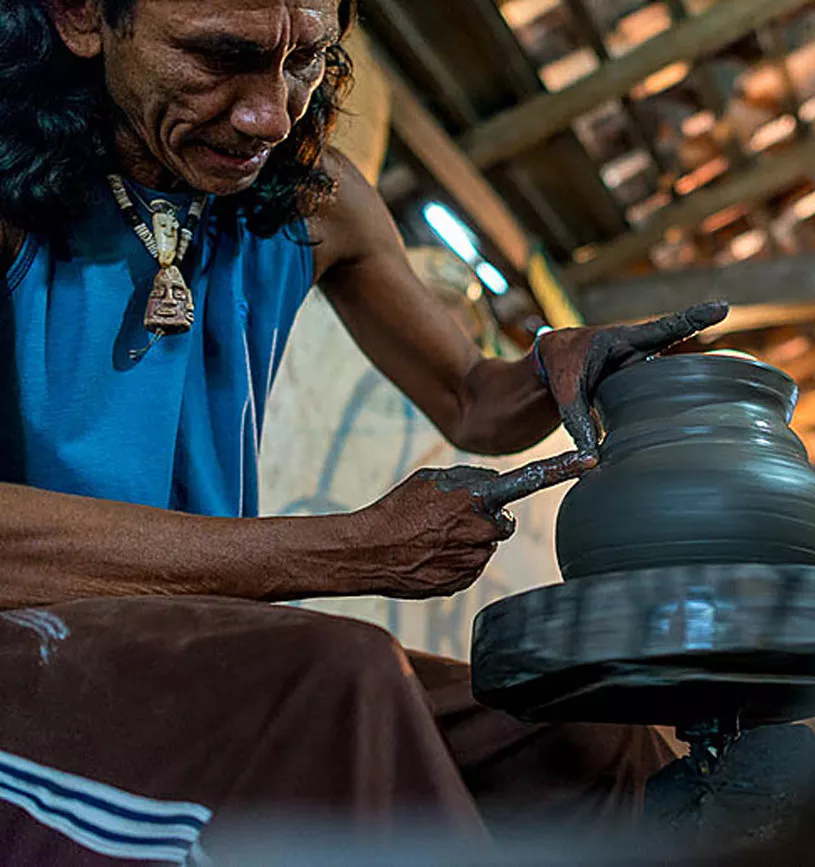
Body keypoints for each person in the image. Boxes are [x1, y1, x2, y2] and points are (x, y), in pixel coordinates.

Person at [0, 0, 727, 861]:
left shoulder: (318, 204)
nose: (270, 113)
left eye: (303, 60)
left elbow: (471, 399)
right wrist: (345, 549)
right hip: (29, 647)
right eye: (218, 56)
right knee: (344, 679)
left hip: (194, 650)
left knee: (587, 742)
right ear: (84, 17)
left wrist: (550, 367)